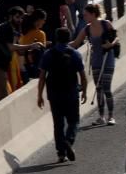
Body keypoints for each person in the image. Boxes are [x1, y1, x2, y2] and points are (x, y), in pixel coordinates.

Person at [35, 28, 88, 163]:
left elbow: (42, 77)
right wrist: (85, 92)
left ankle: (61, 153)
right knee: (74, 121)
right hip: (71, 94)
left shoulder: (48, 54)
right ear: (68, 37)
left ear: (57, 38)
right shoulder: (75, 54)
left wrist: (39, 95)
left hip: (54, 95)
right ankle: (68, 141)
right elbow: (83, 76)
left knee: (58, 124)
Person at [70, 4, 118, 126]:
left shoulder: (106, 24)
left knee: (106, 87)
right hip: (96, 61)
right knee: (99, 88)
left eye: (86, 14)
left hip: (108, 60)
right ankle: (101, 116)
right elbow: (76, 43)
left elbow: (116, 38)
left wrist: (110, 45)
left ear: (93, 14)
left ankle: (111, 116)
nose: (84, 17)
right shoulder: (87, 28)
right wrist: (61, 45)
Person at [0, 7, 41, 101]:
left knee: (3, 93)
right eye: (17, 17)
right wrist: (30, 46)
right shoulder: (6, 28)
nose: (20, 20)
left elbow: (17, 49)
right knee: (1, 95)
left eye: (21, 18)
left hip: (2, 65)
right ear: (10, 17)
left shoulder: (14, 29)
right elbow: (11, 47)